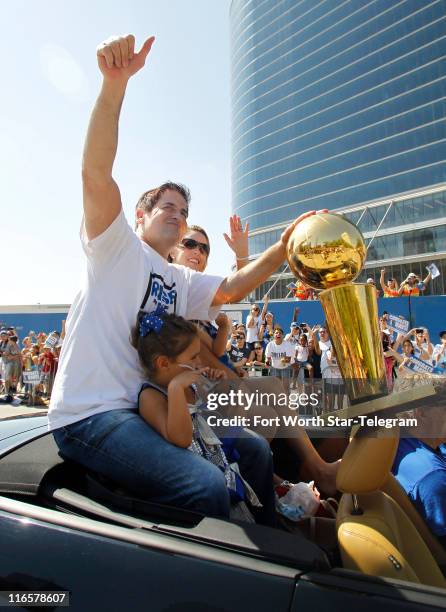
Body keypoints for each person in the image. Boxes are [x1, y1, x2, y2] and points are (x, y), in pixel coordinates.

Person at [49, 33, 325, 514]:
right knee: (205, 485)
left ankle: (272, 537)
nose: (178, 216)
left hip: (142, 409)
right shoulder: (114, 246)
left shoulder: (179, 280)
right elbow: (95, 173)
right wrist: (114, 86)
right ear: (139, 215)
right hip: (91, 415)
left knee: (257, 449)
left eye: (184, 210)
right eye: (167, 207)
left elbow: (236, 286)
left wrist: (283, 247)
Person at [132, 310, 273, 524]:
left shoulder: (195, 384)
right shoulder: (151, 397)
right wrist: (177, 389)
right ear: (163, 363)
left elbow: (227, 424)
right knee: (237, 516)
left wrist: (225, 388)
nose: (199, 362)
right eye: (193, 357)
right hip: (197, 474)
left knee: (259, 446)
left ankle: (269, 521)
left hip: (219, 457)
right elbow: (181, 439)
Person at [265, 327, 295, 391]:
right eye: (276, 333)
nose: (278, 334)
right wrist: (267, 361)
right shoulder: (270, 345)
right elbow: (268, 358)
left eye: (280, 333)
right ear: (273, 335)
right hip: (274, 368)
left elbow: (288, 360)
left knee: (286, 388)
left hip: (285, 368)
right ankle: (277, 400)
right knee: (276, 388)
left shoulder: (287, 344)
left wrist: (282, 360)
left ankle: (287, 401)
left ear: (283, 336)